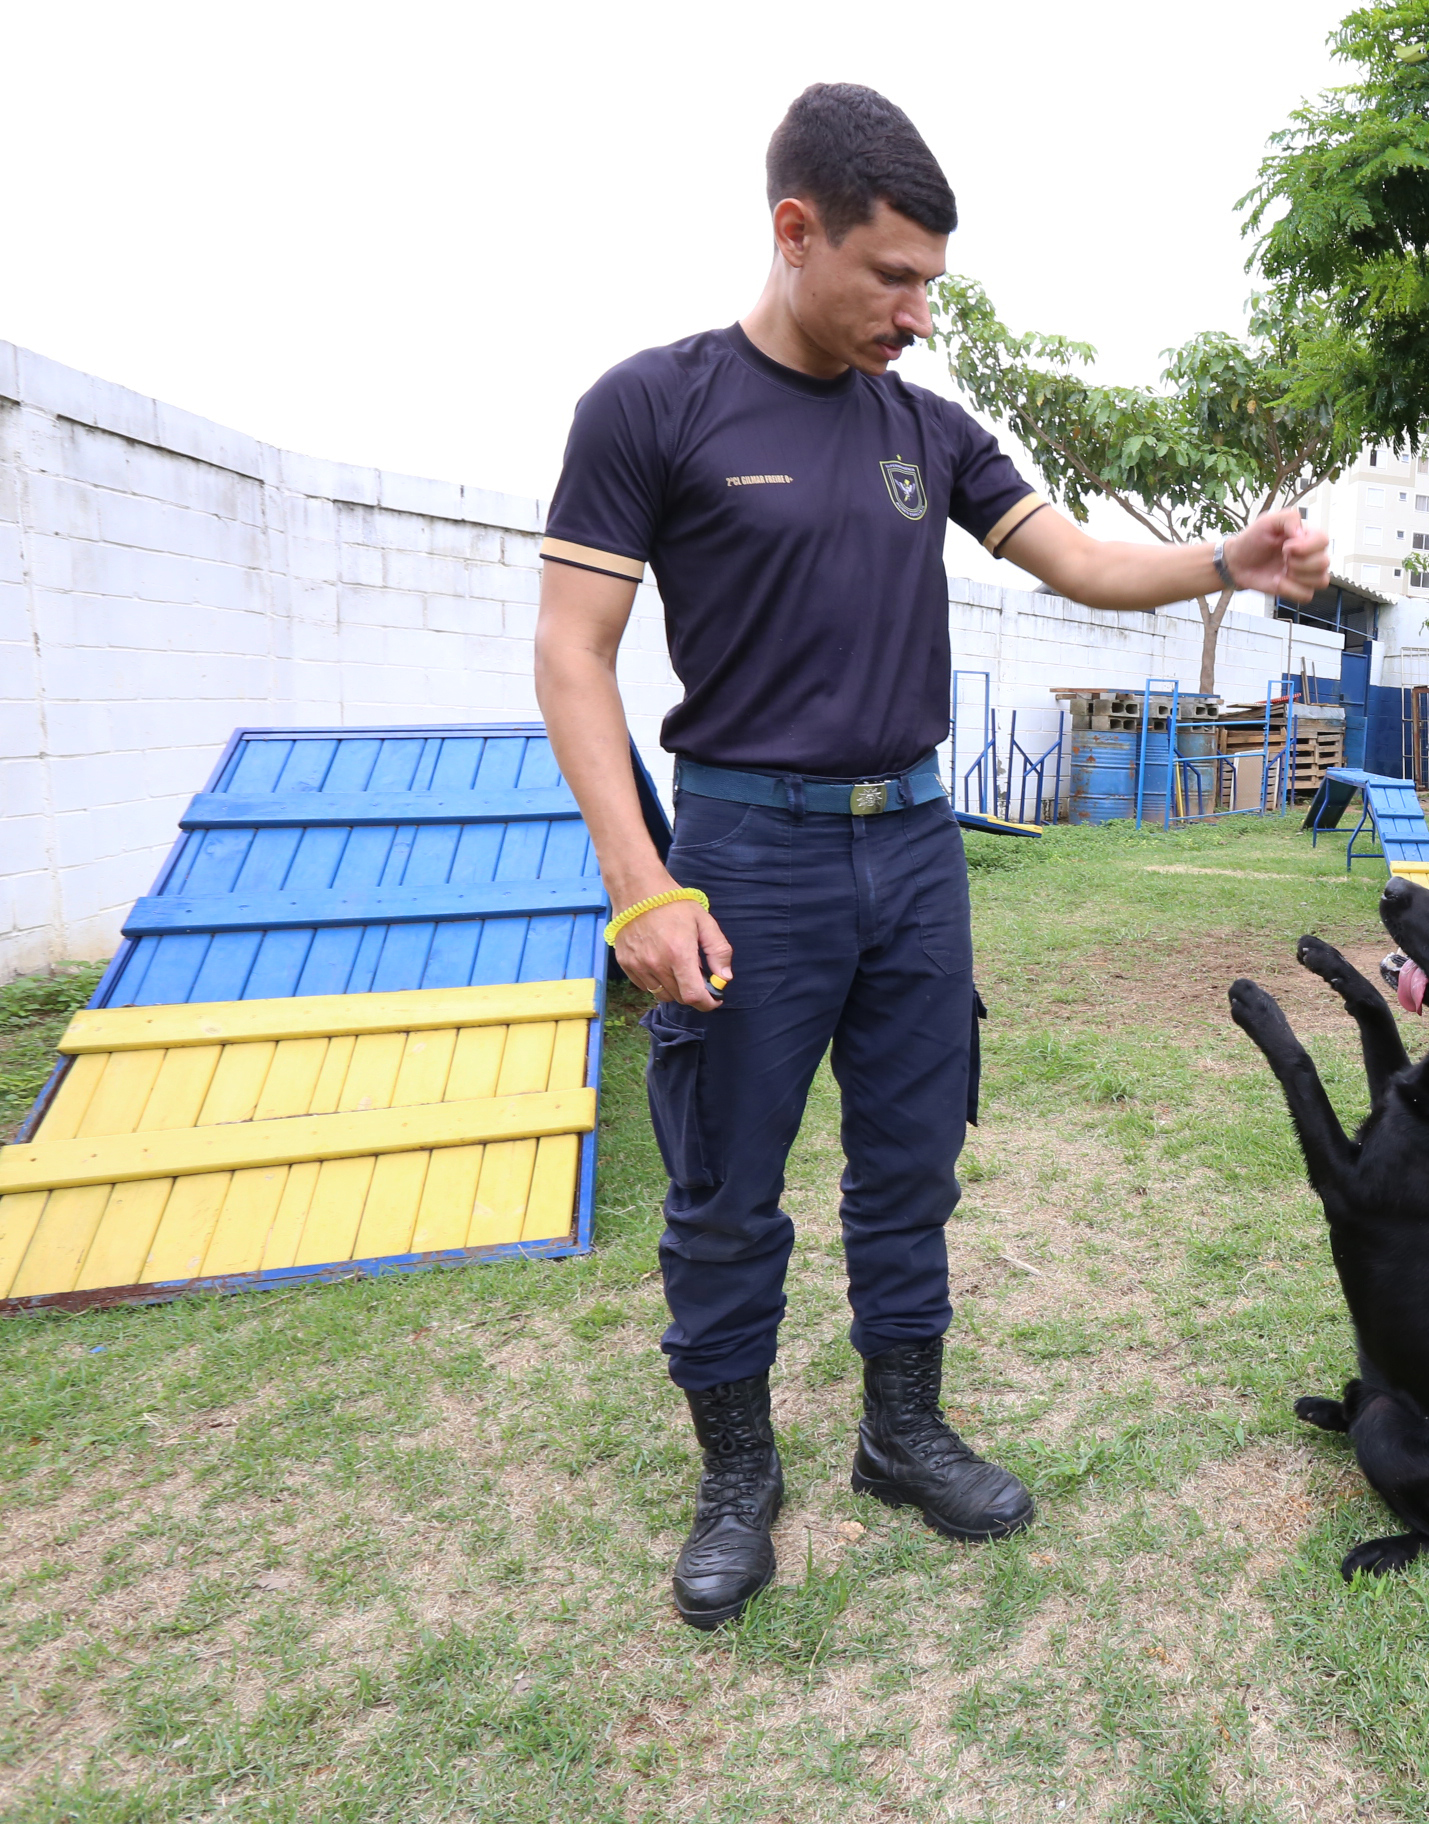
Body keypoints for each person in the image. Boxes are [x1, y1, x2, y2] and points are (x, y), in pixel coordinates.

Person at [533, 82, 1330, 1629]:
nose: (915, 313)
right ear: (795, 231)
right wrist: (643, 883)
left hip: (913, 848)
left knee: (910, 1165)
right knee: (723, 1188)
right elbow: (574, 655)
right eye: (891, 277)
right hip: (741, 850)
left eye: (932, 286)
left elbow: (1086, 560)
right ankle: (738, 1476)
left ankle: (901, 1434)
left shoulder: (929, 428)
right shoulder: (654, 405)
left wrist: (1233, 556)